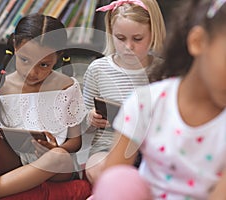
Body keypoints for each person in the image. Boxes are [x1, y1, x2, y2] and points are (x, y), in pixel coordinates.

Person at [91, 0, 226, 199]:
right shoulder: (148, 102)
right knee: (118, 179)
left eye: (137, 38)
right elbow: (113, 179)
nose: (129, 46)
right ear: (198, 42)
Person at [0, 13, 87, 200]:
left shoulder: (67, 87)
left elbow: (76, 142)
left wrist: (54, 147)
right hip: (14, 160)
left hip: (55, 166)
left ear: (58, 57)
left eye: (44, 64)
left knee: (58, 156)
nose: (33, 72)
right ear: (15, 47)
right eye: (25, 60)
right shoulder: (2, 87)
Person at [82, 0, 166, 184]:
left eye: (137, 39)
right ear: (111, 33)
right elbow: (79, 124)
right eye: (120, 38)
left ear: (153, 33)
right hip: (106, 148)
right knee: (98, 169)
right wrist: (90, 118)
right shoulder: (98, 69)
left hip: (149, 150)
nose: (128, 46)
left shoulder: (162, 71)